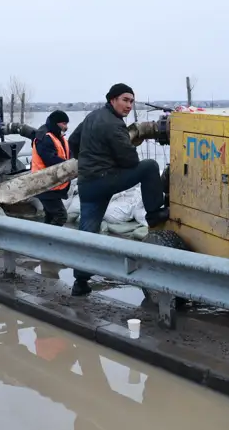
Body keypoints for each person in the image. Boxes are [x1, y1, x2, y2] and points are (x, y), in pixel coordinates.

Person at [67, 83, 168, 296]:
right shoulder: (114, 124)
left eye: (132, 101)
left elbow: (72, 141)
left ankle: (80, 283)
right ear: (112, 99)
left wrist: (86, 161)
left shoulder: (92, 116)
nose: (129, 105)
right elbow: (131, 160)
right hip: (105, 180)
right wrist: (109, 164)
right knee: (149, 166)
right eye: (125, 100)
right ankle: (154, 213)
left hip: (87, 184)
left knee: (87, 234)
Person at [31, 110, 72, 227]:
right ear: (56, 123)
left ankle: (44, 241)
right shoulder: (45, 138)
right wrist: (71, 166)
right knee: (60, 216)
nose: (66, 127)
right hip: (45, 184)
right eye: (64, 124)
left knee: (50, 216)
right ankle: (51, 241)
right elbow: (50, 160)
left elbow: (68, 154)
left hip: (52, 185)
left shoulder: (59, 137)